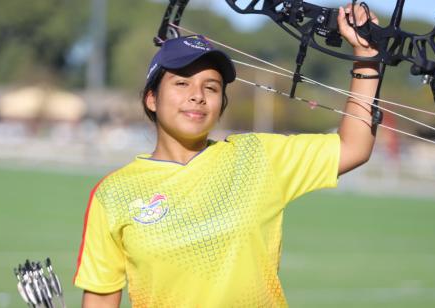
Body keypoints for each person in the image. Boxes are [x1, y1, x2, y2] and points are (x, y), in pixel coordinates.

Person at [74, 4, 380, 307]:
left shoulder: (257, 156)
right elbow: (101, 298)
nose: (198, 95)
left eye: (211, 87)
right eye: (181, 83)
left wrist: (366, 58)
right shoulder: (112, 194)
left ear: (221, 104)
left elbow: (353, 147)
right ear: (151, 99)